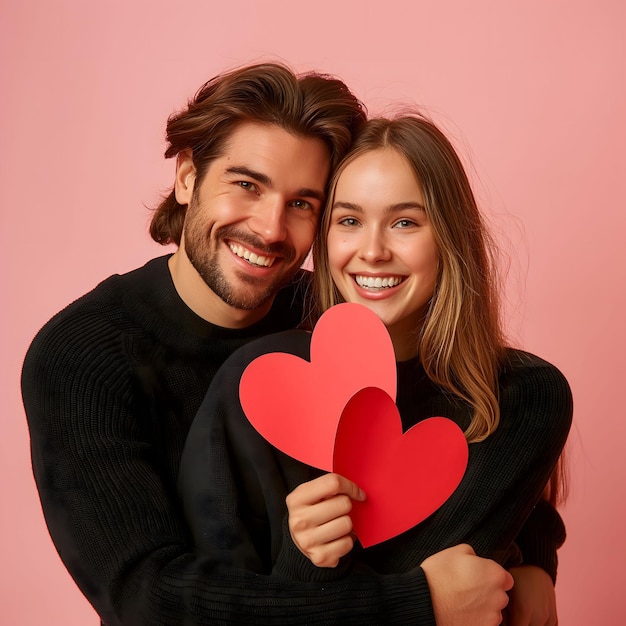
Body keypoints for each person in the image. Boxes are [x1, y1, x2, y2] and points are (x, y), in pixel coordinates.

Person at [22, 60, 562, 625]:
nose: (271, 228)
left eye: (303, 203)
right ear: (187, 177)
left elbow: (456, 424)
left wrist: (535, 560)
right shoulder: (83, 357)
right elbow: (148, 599)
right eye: (247, 185)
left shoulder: (338, 314)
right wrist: (416, 606)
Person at [177, 115, 572, 625]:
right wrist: (306, 559)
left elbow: (456, 582)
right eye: (348, 220)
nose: (373, 250)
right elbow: (223, 610)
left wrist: (533, 559)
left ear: (450, 237)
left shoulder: (523, 397)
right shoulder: (262, 381)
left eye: (405, 222)